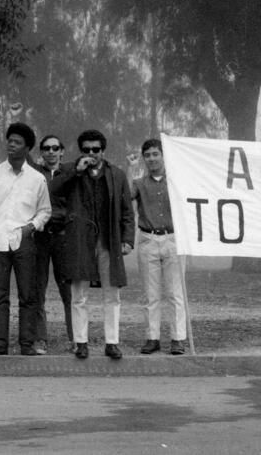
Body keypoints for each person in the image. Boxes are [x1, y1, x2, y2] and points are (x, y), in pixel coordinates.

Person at [50, 129, 135, 360]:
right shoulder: (69, 170)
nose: (91, 154)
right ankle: (81, 342)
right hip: (80, 241)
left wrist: (127, 239)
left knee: (112, 295)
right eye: (86, 150)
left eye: (95, 149)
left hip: (108, 242)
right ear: (81, 151)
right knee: (79, 296)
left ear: (103, 150)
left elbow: (127, 211)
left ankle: (112, 342)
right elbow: (53, 191)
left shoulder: (116, 175)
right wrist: (76, 172)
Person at [0, 123, 51, 356]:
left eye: (17, 142)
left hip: (24, 242)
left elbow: (45, 210)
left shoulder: (37, 179)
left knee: (28, 295)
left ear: (27, 148)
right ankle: (1, 343)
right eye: (9, 141)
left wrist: (32, 226)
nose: (11, 145)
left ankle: (26, 343)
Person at [133, 138, 187, 355]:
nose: (152, 158)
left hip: (173, 238)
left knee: (175, 293)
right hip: (148, 239)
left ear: (163, 156)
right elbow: (126, 196)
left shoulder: (176, 180)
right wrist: (132, 168)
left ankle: (178, 338)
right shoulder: (140, 182)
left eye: (156, 154)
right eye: (148, 155)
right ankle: (152, 337)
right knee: (151, 294)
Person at [32, 134, 73, 353]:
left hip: (63, 236)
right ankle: (40, 338)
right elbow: (22, 155)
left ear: (61, 151)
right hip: (39, 237)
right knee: (38, 289)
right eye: (46, 148)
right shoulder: (36, 173)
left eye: (55, 148)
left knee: (68, 289)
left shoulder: (70, 172)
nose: (50, 152)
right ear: (41, 152)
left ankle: (75, 337)